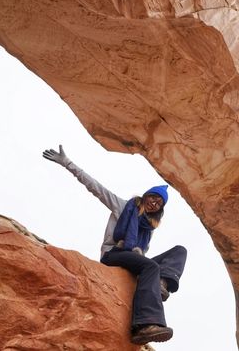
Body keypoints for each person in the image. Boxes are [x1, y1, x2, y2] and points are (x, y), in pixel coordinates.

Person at [42, 145, 186, 345]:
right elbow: (95, 187)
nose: (155, 203)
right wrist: (67, 163)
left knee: (179, 251)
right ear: (146, 196)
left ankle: (162, 282)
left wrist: (140, 255)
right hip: (113, 254)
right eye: (154, 197)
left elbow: (141, 253)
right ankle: (145, 325)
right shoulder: (124, 206)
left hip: (131, 259)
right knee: (150, 266)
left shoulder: (148, 229)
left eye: (160, 203)